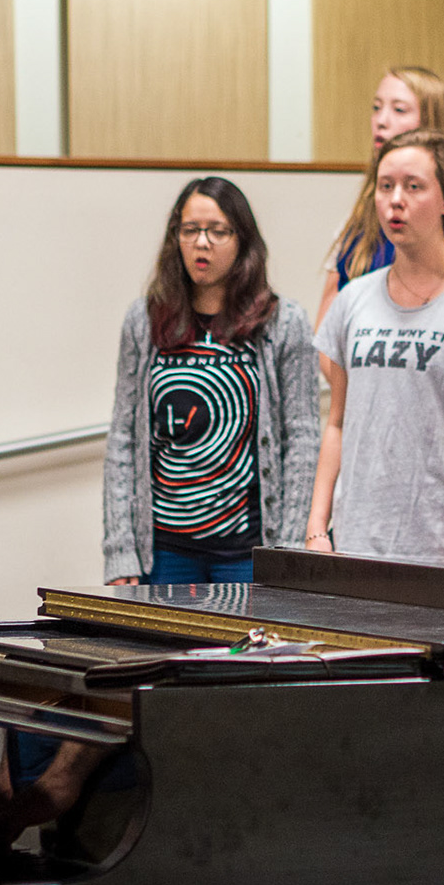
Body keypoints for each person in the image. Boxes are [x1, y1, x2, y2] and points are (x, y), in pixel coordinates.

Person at [308, 128, 444, 567]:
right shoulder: (354, 299)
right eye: (385, 186)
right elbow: (337, 423)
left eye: (413, 186)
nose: (395, 200)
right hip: (357, 545)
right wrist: (317, 528)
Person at [102, 176, 319, 586]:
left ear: (242, 241)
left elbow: (303, 441)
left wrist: (290, 552)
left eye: (218, 231)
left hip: (247, 552)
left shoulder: (284, 322)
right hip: (163, 553)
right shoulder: (143, 320)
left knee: (243, 651)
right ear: (176, 238)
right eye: (190, 231)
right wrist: (120, 552)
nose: (203, 243)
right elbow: (123, 441)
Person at [315, 65, 444, 330]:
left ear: (432, 122)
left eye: (398, 110)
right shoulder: (362, 211)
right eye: (376, 108)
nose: (381, 120)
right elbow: (326, 326)